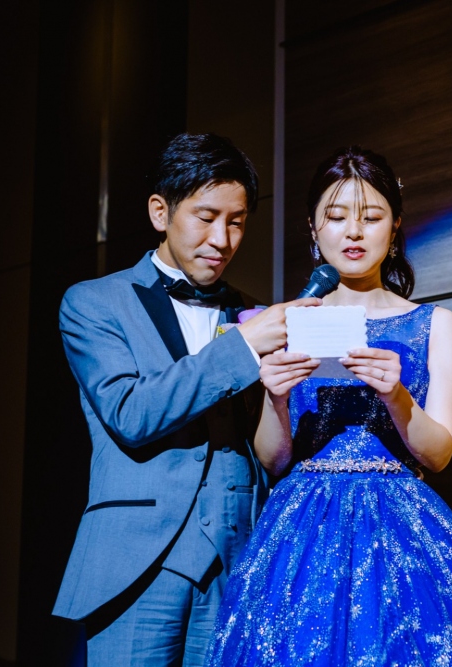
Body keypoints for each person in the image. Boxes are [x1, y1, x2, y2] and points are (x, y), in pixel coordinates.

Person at [206, 146, 452, 666]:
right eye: (336, 217)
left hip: (400, 522)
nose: (353, 232)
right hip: (302, 526)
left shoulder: (433, 323)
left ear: (395, 227)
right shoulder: (285, 321)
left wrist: (395, 395)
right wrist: (277, 398)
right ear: (313, 228)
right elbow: (273, 459)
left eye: (371, 217)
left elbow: (438, 454)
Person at [52, 133, 319, 665]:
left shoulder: (253, 314)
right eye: (206, 217)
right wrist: (244, 347)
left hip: (237, 562)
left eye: (237, 221)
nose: (222, 238)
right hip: (136, 562)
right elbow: (131, 412)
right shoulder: (93, 302)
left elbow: (268, 451)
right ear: (161, 212)